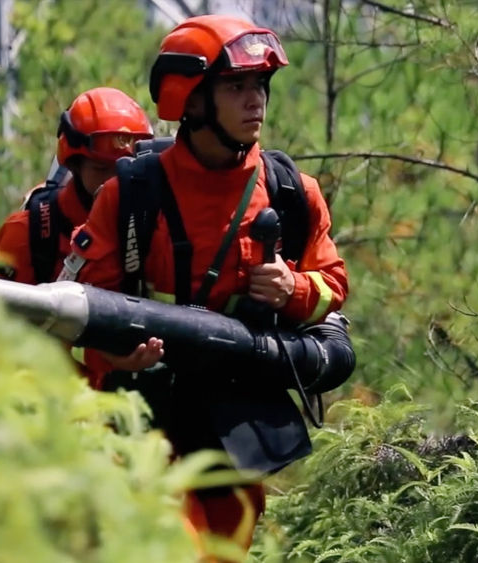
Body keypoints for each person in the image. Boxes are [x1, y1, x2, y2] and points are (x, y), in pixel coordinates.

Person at [62, 15, 352, 562]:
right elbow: (80, 313)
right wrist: (115, 359)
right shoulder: (131, 194)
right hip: (148, 420)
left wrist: (292, 288)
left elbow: (332, 284)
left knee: (226, 550)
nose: (255, 100)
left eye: (259, 85)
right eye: (236, 86)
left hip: (238, 424)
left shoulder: (291, 192)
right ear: (191, 99)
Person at [0, 87, 153, 286]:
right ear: (75, 165)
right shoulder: (26, 234)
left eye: (126, 170)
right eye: (102, 169)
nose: (114, 182)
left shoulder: (156, 227)